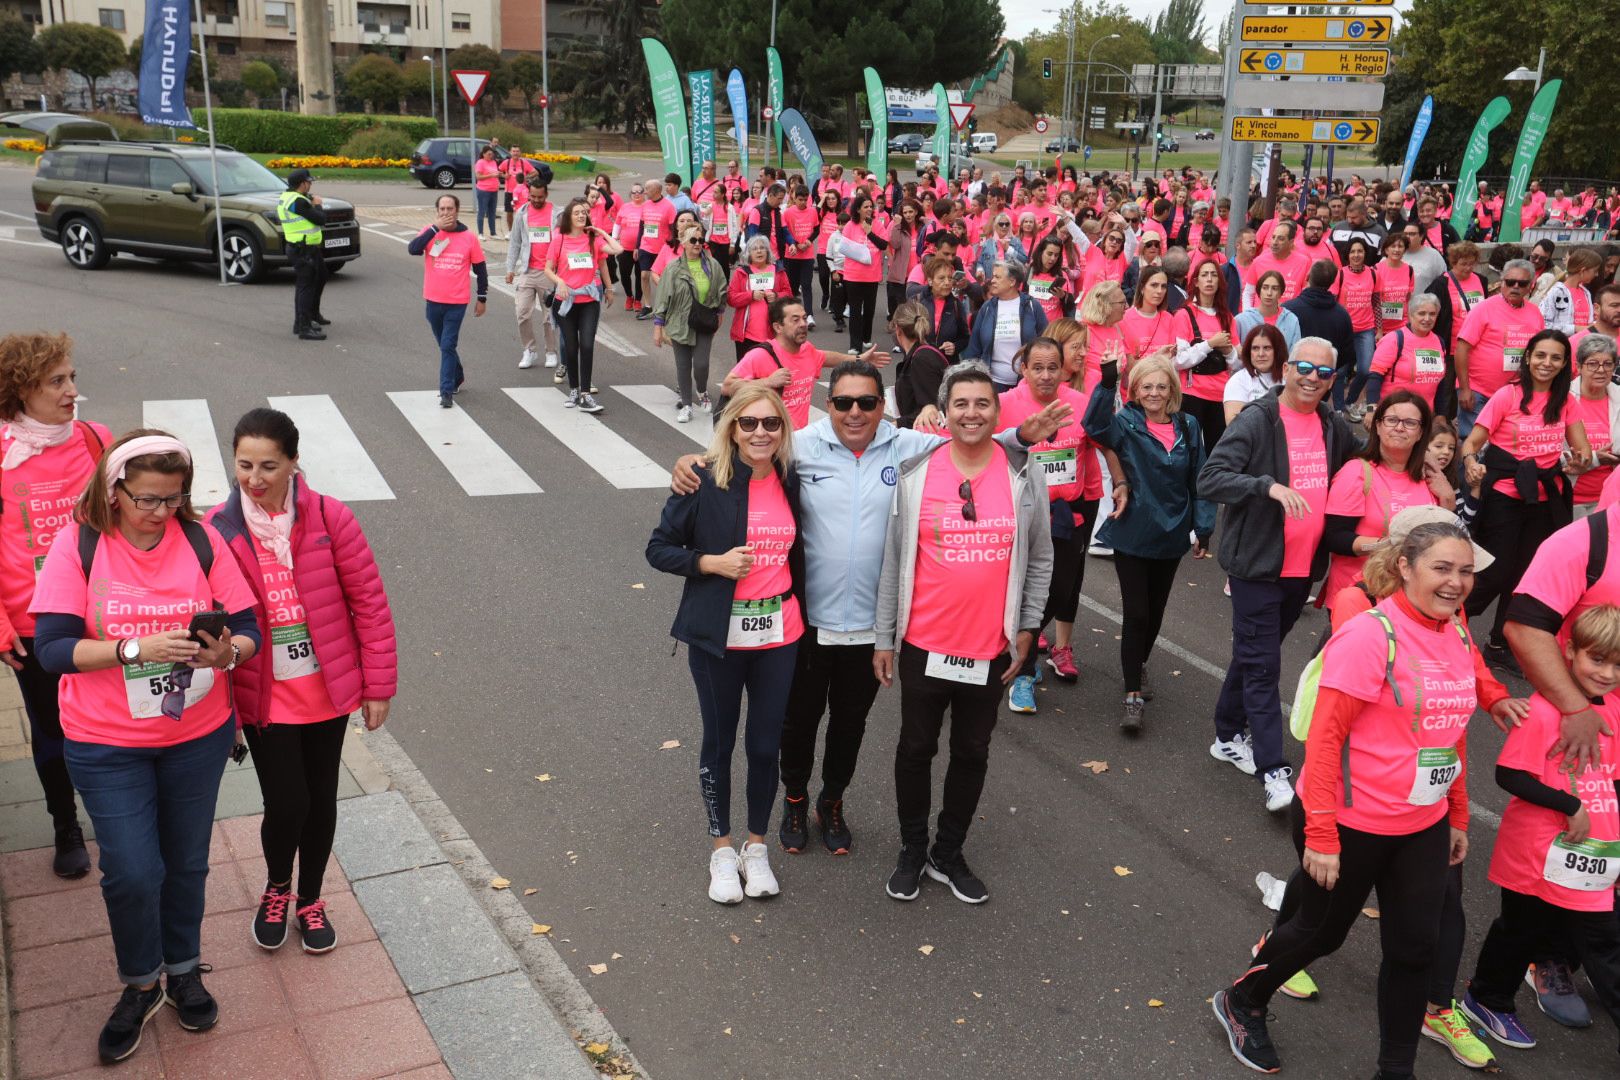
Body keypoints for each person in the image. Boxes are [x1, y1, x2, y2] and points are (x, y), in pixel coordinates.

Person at [1211, 518, 1489, 1077]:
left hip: (1423, 822)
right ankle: (1243, 1000)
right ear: (1406, 567)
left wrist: (1457, 813)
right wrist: (1320, 833)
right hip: (1349, 820)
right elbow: (1326, 740)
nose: (1456, 582)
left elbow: (1451, 732)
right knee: (1320, 933)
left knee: (1415, 950)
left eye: (1464, 571)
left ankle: (1395, 1068)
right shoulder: (1370, 636)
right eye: (1442, 568)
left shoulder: (1456, 633)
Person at [31, 431, 260, 1064]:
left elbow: (247, 628)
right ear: (114, 492)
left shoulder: (201, 540)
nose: (162, 512)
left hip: (196, 734)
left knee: (185, 862)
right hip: (106, 742)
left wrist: (228, 652)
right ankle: (140, 983)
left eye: (174, 498)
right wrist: (136, 649)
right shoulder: (78, 546)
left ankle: (183, 970)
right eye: (147, 500)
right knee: (133, 870)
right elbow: (51, 650)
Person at [206, 409, 395, 954]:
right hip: (263, 691)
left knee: (321, 799)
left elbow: (370, 605)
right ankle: (277, 888)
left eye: (269, 465)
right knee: (286, 802)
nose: (255, 478)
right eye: (244, 465)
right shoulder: (220, 530)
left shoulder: (331, 518)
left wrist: (377, 686)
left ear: (293, 463)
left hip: (327, 687)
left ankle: (310, 899)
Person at [874, 361, 1053, 905]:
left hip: (990, 649)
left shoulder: (1024, 473)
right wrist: (885, 636)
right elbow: (893, 560)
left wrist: (1028, 627)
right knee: (915, 748)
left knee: (972, 752)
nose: (971, 413)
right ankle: (912, 848)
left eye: (982, 404)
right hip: (924, 643)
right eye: (961, 404)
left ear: (997, 413)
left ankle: (947, 853)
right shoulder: (916, 472)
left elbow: (1041, 558)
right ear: (945, 412)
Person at [646, 386, 802, 904]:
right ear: (732, 427)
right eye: (749, 423)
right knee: (720, 741)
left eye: (771, 423)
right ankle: (721, 851)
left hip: (780, 633)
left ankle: (756, 849)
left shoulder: (790, 478)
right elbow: (659, 548)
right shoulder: (703, 482)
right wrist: (710, 563)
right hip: (720, 637)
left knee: (764, 744)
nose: (761, 432)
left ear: (783, 430)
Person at [1199, 339, 1361, 812]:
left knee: (1254, 654)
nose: (1313, 378)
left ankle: (1227, 734)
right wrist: (1265, 487)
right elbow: (1210, 478)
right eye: (1305, 368)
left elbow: (1363, 459)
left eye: (1324, 373)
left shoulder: (1331, 423)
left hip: (1302, 570)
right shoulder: (1257, 419)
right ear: (1287, 369)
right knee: (1265, 664)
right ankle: (1274, 770)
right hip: (1257, 567)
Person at [1458, 603, 1620, 1055]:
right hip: (1535, 852)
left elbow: (1613, 779)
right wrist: (1568, 805)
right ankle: (1486, 998)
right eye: (1598, 659)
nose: (1607, 673)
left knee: (1603, 937)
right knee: (1520, 929)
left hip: (1590, 853)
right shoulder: (1543, 711)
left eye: (1618, 664)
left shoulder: (1614, 710)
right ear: (1570, 652)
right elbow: (1510, 774)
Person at [0, 333, 109, 878]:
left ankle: (116, 818)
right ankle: (66, 824)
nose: (73, 391)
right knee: (52, 732)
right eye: (57, 381)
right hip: (34, 624)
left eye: (72, 377)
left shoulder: (95, 440)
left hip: (106, 616)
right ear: (22, 389)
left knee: (112, 725)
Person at [1084, 353, 1212, 730]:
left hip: (1172, 535)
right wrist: (1108, 383)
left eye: (1161, 386)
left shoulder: (1189, 426)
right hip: (1133, 532)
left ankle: (1137, 665)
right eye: (1146, 386)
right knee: (1137, 613)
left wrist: (1203, 527)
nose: (1154, 393)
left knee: (1155, 613)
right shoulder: (1124, 423)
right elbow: (1093, 424)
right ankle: (1132, 695)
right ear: (1135, 390)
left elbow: (1199, 482)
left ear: (1172, 389)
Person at [1462, 329, 1592, 672]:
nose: (1546, 363)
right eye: (1540, 355)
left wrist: (1581, 458)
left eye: (1555, 358)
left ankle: (1498, 643)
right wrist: (1471, 463)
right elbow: (1471, 443)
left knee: (1525, 576)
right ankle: (1447, 620)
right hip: (1504, 495)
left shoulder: (1565, 400)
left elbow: (1582, 447)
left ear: (1566, 364)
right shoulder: (1508, 395)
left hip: (1543, 498)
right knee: (1496, 571)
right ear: (1529, 357)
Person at [996, 339, 1097, 709]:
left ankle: (1023, 648)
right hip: (1017, 516)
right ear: (1023, 369)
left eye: (1053, 367)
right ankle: (1022, 676)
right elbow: (968, 435)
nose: (1045, 375)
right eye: (1037, 367)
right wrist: (930, 409)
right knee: (1021, 593)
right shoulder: (1004, 404)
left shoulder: (1081, 404)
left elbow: (1106, 444)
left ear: (1064, 369)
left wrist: (1117, 484)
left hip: (1066, 517)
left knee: (1058, 592)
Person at [1320, 391, 1451, 608]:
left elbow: (1444, 535)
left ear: (1420, 433)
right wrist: (1390, 546)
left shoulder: (1428, 478)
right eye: (1391, 420)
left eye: (1410, 423)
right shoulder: (1356, 472)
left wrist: (1447, 497)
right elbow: (1335, 538)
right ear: (1378, 427)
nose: (1399, 427)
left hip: (1411, 598)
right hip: (1360, 595)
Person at [722, 298, 887, 430]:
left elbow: (826, 357)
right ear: (778, 327)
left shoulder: (807, 350)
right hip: (769, 441)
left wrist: (860, 359)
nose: (803, 324)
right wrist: (767, 382)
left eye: (803, 318)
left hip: (799, 440)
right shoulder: (760, 355)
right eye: (795, 320)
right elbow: (727, 386)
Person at [407, 194, 488, 410]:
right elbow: (413, 249)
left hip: (457, 301)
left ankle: (446, 391)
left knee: (448, 344)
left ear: (457, 210)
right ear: (437, 211)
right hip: (433, 300)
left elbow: (480, 269)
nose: (445, 213)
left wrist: (482, 297)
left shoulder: (469, 237)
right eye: (442, 209)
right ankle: (458, 375)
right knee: (445, 345)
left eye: (449, 209)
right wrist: (434, 229)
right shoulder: (430, 232)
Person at [545, 198, 621, 414]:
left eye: (583, 213)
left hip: (588, 301)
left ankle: (586, 394)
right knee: (571, 346)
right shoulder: (559, 239)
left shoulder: (593, 240)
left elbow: (618, 249)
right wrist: (559, 281)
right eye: (576, 212)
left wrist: (600, 231)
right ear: (569, 216)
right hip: (566, 302)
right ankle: (574, 389)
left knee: (587, 345)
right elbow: (548, 268)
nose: (581, 216)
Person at [1455, 258, 1547, 439]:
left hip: (1514, 393)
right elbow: (1461, 349)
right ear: (1501, 281)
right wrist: (1465, 389)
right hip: (1478, 391)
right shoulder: (1484, 308)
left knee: (1501, 442)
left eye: (1522, 283)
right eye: (1510, 282)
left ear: (1531, 286)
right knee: (1473, 444)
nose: (1515, 287)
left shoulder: (1535, 313)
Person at [651, 225, 725, 423]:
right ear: (683, 243)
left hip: (703, 321)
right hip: (679, 322)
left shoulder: (712, 265)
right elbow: (662, 298)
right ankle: (686, 404)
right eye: (693, 240)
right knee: (683, 366)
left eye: (701, 240)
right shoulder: (673, 268)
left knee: (701, 364)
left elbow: (721, 289)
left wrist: (720, 312)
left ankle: (701, 390)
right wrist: (658, 327)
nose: (698, 244)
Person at [1175, 260, 1240, 448]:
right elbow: (1179, 360)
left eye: (1214, 275)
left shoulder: (1227, 318)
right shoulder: (1184, 314)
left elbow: (1236, 364)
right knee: (1190, 448)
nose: (1209, 280)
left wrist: (1228, 351)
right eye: (1204, 275)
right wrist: (1210, 344)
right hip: (1191, 393)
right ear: (1195, 282)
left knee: (1216, 450)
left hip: (1220, 394)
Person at [503, 171, 560, 373]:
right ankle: (530, 350)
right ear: (528, 194)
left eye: (540, 197)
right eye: (533, 196)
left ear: (546, 194)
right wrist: (510, 269)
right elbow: (515, 242)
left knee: (548, 316)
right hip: (527, 270)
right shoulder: (522, 213)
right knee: (522, 312)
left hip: (549, 272)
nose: (536, 200)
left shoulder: (557, 214)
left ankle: (551, 351)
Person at [964, 262, 1048, 392]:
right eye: (993, 277)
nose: (992, 281)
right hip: (992, 384)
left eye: (997, 277)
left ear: (1012, 281)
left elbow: (1045, 342)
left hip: (1026, 384)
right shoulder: (987, 308)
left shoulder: (1032, 306)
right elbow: (974, 348)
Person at [1364, 293, 1447, 409]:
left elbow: (1440, 383)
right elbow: (1375, 376)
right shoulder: (1393, 339)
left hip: (1424, 415)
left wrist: (1441, 414)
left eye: (1432, 314)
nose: (1427, 319)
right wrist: (1371, 409)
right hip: (1392, 413)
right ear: (1411, 315)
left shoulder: (1439, 342)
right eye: (1421, 313)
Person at [1570, 335, 1620, 517]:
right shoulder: (1562, 399)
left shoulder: (1618, 396)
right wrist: (1596, 458)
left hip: (1612, 500)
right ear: (1579, 366)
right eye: (1592, 363)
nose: (1601, 370)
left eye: (1608, 364)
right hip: (1570, 499)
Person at [1284, 260, 1354, 387]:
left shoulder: (1287, 310)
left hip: (1291, 379)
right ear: (1332, 282)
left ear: (1308, 277)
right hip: (1321, 380)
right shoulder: (1342, 315)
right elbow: (1347, 352)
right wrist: (1325, 370)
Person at [277, 169, 328, 342]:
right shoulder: (298, 202)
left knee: (320, 277)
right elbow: (320, 219)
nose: (311, 184)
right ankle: (303, 327)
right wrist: (319, 204)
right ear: (302, 184)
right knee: (306, 287)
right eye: (309, 182)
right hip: (303, 249)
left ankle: (310, 317)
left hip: (306, 247)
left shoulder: (289, 196)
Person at [727, 235, 793, 363]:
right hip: (746, 335)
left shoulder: (778, 271)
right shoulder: (741, 273)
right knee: (746, 375)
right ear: (749, 254)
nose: (759, 251)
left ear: (768, 252)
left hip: (774, 334)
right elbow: (731, 298)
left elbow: (789, 295)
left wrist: (776, 295)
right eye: (755, 249)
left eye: (762, 248)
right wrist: (750, 295)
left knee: (770, 372)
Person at [839, 193, 889, 353]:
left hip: (872, 275)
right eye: (865, 207)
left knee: (869, 310)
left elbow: (883, 245)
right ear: (858, 209)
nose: (869, 209)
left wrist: (869, 232)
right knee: (855, 310)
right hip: (853, 275)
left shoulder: (877, 224)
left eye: (870, 206)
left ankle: (866, 337)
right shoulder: (850, 226)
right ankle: (855, 345)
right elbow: (844, 247)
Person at [891, 300, 950, 429]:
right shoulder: (923, 354)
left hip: (926, 439)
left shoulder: (921, 360)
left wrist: (896, 425)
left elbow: (932, 410)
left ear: (898, 329)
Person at [1224, 324, 1285, 425]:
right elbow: (1233, 424)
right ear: (1249, 352)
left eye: (1267, 348)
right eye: (1255, 348)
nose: (1261, 354)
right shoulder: (1238, 380)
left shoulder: (1289, 378)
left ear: (1278, 351)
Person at [636, 180, 677, 320]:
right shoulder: (645, 205)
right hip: (646, 246)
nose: (644, 191)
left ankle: (665, 305)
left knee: (661, 280)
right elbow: (642, 227)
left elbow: (673, 229)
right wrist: (637, 246)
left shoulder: (669, 207)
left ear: (657, 190)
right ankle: (647, 306)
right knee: (644, 276)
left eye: (647, 189)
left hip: (662, 249)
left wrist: (673, 247)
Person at [1235, 270, 1302, 355]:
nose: (1269, 293)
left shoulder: (1292, 320)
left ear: (1281, 293)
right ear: (1259, 290)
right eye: (1265, 287)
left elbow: (1295, 355)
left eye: (1274, 288)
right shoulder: (1241, 320)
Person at [1541, 248, 1602, 335]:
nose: (1596, 274)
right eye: (1595, 271)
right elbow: (1544, 324)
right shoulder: (1557, 292)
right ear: (1583, 271)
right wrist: (1576, 328)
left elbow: (1588, 323)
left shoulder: (1586, 293)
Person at [498, 147, 536, 234]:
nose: (515, 153)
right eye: (514, 151)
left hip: (522, 193)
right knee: (509, 212)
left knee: (524, 212)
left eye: (517, 151)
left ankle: (523, 231)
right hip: (509, 192)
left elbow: (535, 172)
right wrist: (504, 176)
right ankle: (510, 231)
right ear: (510, 152)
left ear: (520, 152)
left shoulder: (524, 162)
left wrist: (526, 177)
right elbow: (498, 172)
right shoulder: (506, 162)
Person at [472, 146, 500, 238]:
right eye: (488, 154)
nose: (490, 156)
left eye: (492, 154)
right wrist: (491, 175)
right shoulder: (480, 162)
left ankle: (493, 233)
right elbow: (478, 177)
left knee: (492, 212)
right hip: (483, 190)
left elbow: (495, 174)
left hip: (494, 190)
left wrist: (498, 175)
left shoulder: (493, 162)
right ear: (483, 154)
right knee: (482, 211)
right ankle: (480, 233)